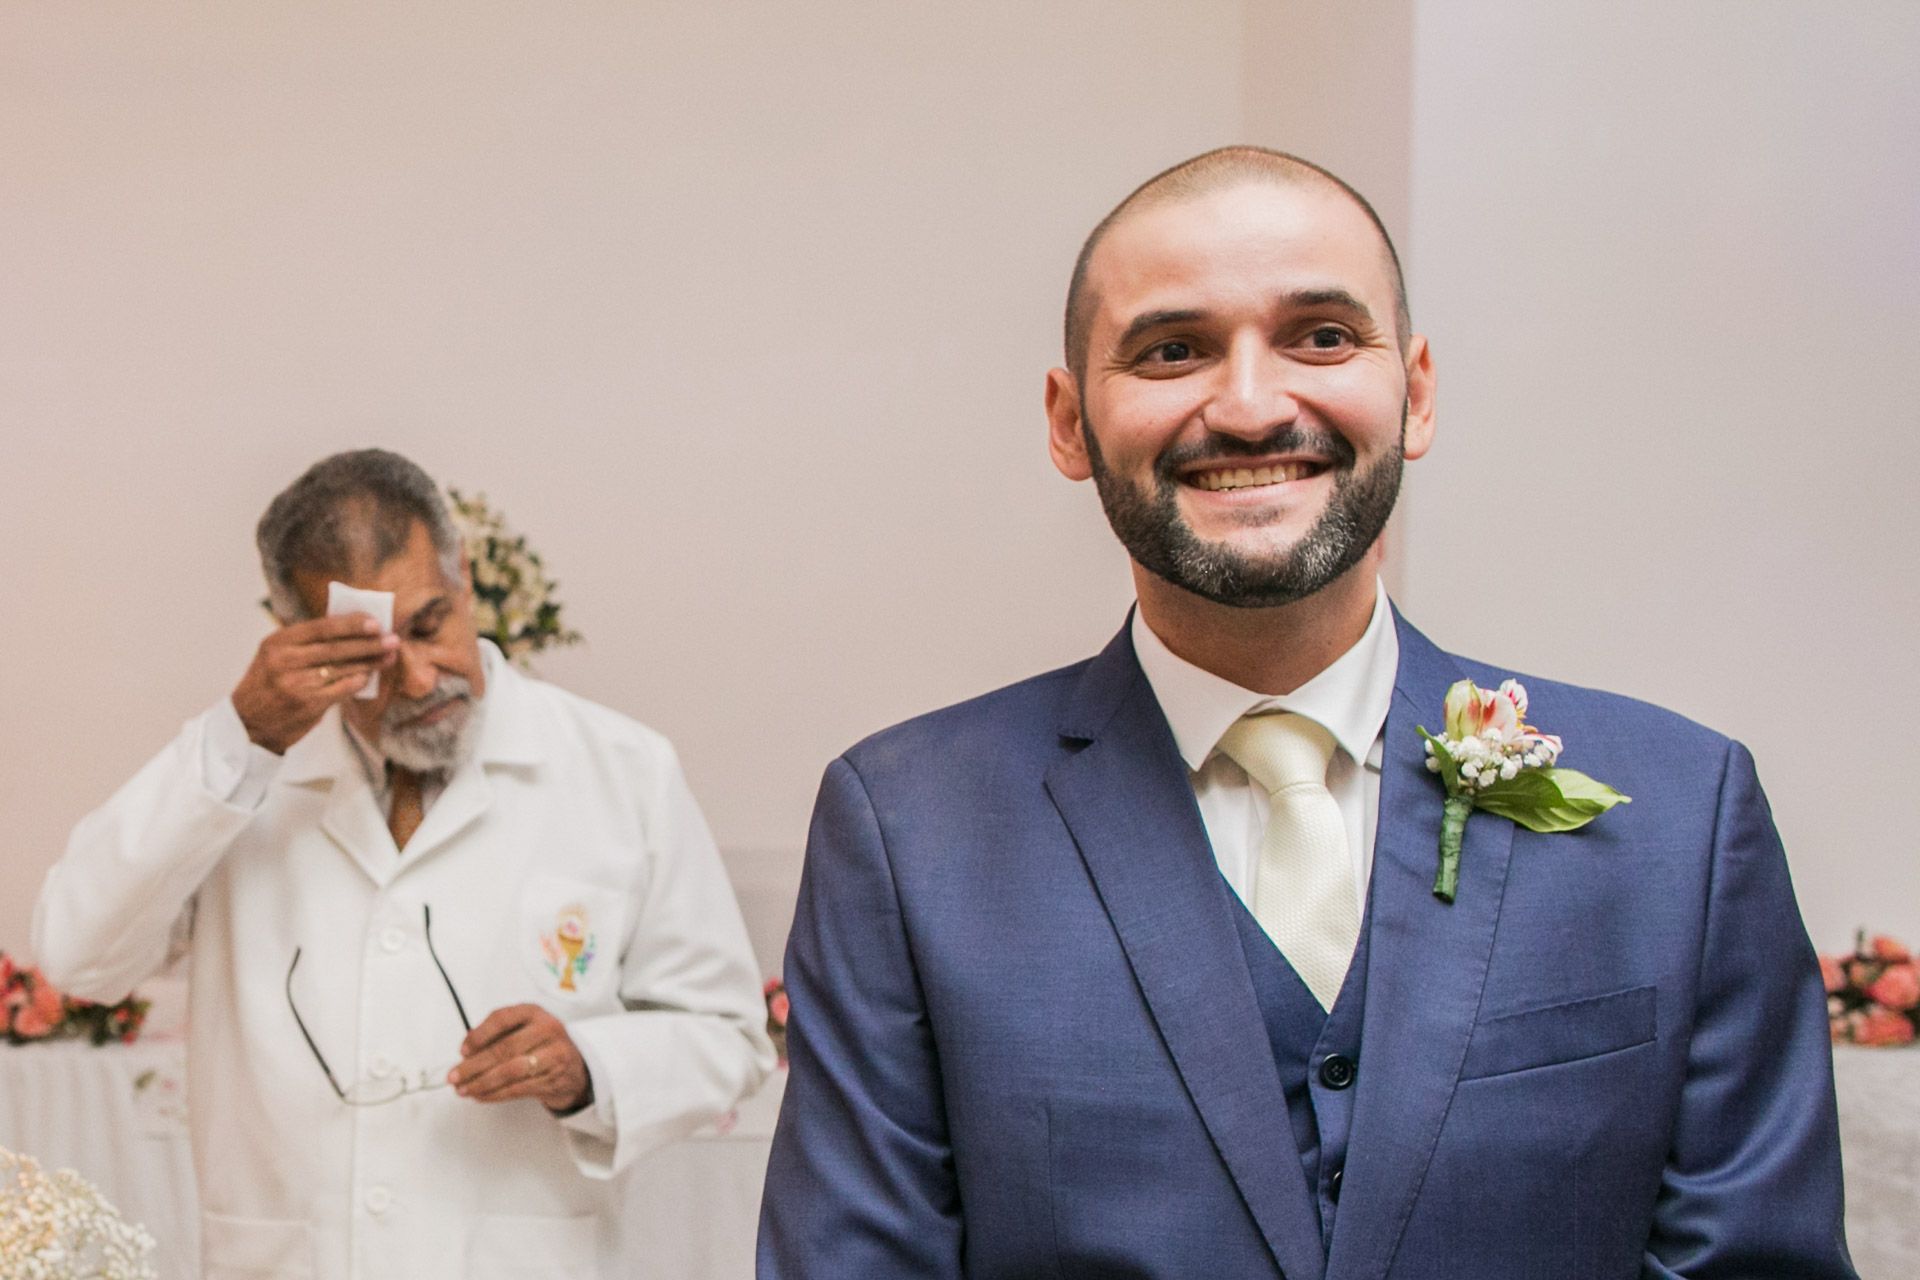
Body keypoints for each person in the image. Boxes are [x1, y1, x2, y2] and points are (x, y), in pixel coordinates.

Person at [757, 148, 1854, 1278]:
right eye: (1173, 349)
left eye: (1322, 337)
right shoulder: (906, 829)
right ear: (1070, 421)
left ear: (1415, 392)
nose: (1247, 405)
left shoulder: (1682, 811)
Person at [34, 449, 773, 1280]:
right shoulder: (240, 783)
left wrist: (588, 1067)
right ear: (297, 640)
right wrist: (239, 736)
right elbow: (77, 954)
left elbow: (727, 1038)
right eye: (372, 657)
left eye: (429, 625)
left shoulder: (621, 770)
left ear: (463, 582)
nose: (420, 677)